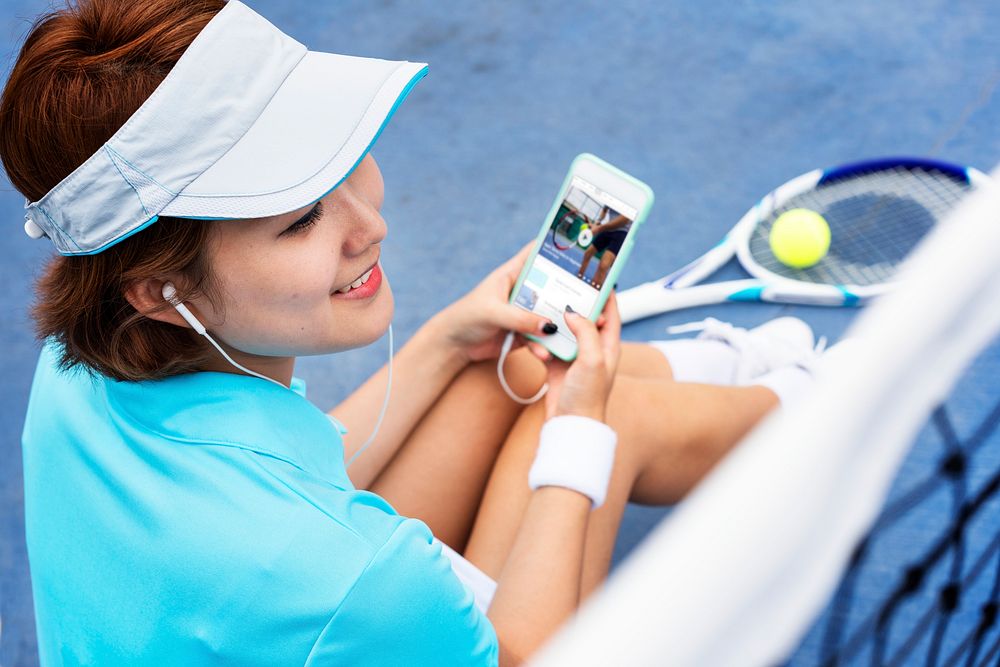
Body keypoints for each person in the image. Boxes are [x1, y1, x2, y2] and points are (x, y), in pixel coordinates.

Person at [3, 0, 824, 664]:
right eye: (301, 218)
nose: (371, 226)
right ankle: (830, 407)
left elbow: (293, 469)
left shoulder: (76, 368)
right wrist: (582, 430)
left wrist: (440, 342)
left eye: (349, 158)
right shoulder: (349, 576)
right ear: (162, 289)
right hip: (351, 613)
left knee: (502, 362)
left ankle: (736, 377)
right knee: (599, 417)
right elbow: (526, 655)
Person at [576, 205, 630, 288]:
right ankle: (578, 278)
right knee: (588, 253)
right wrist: (598, 221)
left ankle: (595, 292)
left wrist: (599, 228)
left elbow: (624, 219)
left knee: (604, 266)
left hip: (622, 233)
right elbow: (605, 210)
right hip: (607, 229)